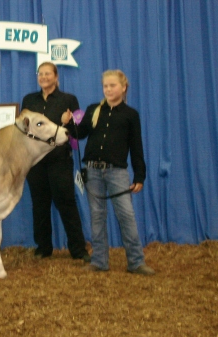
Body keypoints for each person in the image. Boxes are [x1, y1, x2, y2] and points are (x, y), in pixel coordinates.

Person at [62, 69, 155, 275]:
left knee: (126, 215)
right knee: (97, 216)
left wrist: (140, 175)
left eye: (113, 85)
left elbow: (136, 147)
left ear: (123, 87)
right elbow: (80, 134)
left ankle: (136, 262)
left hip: (116, 172)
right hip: (92, 170)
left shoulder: (131, 115)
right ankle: (99, 261)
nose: (108, 89)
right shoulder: (94, 109)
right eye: (105, 86)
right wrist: (69, 123)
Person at [21, 62, 90, 263]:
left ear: (56, 76)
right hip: (35, 162)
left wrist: (68, 122)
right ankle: (43, 248)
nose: (43, 77)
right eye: (40, 74)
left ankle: (78, 249)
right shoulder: (29, 100)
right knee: (39, 205)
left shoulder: (68, 99)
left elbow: (78, 134)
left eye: (47, 73)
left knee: (66, 203)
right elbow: (23, 130)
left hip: (59, 160)